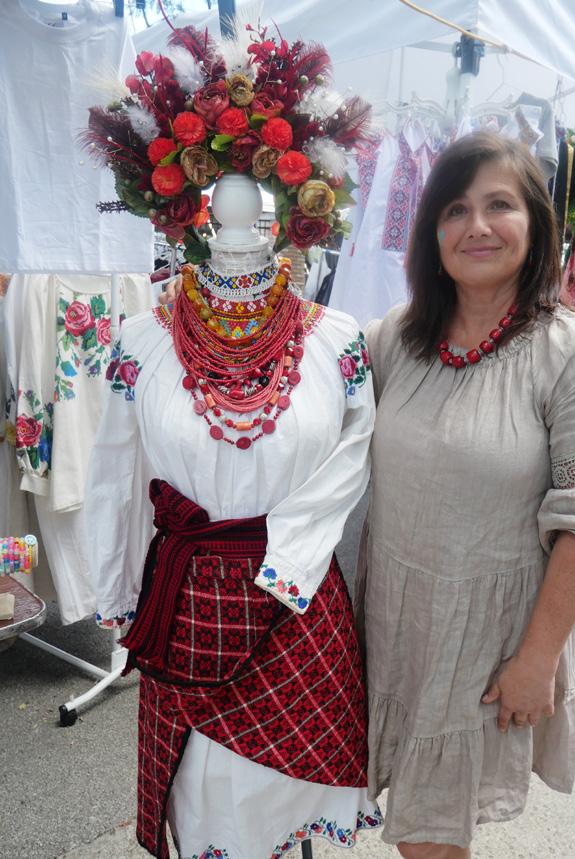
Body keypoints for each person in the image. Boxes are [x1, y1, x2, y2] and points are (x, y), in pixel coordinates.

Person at [356, 132, 575, 859]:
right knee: (419, 830)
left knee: (431, 837)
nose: (477, 226)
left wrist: (537, 660)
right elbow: (306, 382)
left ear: (535, 224)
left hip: (487, 644)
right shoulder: (395, 339)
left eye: (499, 205)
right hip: (392, 622)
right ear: (433, 233)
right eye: (455, 209)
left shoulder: (572, 351)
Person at [84, 246, 382, 858]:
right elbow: (115, 471)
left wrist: (292, 556)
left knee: (288, 788)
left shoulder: (337, 337)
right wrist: (116, 588)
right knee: (207, 796)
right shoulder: (141, 341)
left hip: (297, 598)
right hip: (189, 608)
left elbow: (357, 450)